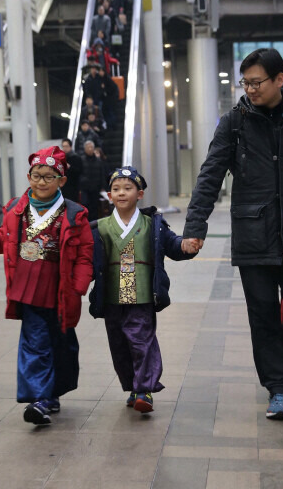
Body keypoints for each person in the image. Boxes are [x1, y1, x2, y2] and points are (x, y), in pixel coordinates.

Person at [181, 48, 283, 421]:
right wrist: (194, 227)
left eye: (256, 82)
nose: (249, 89)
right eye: (244, 83)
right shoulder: (234, 123)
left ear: (279, 79)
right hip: (254, 234)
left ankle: (277, 366)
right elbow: (210, 176)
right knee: (263, 316)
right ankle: (279, 388)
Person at [0, 146, 93, 425]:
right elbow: (1, 241)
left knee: (61, 344)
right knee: (35, 343)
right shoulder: (15, 209)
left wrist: (78, 286)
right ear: (28, 176)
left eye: (49, 176)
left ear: (62, 180)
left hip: (60, 290)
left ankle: (53, 392)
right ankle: (39, 398)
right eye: (36, 175)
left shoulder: (75, 213)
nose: (41, 182)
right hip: (28, 289)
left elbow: (85, 254)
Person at [89, 166, 194, 413]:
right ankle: (134, 386)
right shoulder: (99, 227)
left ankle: (145, 388)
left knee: (141, 338)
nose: (121, 193)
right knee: (119, 344)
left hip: (142, 294)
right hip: (112, 295)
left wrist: (186, 245)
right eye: (116, 189)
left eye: (128, 188)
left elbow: (173, 244)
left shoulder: (152, 224)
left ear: (140, 194)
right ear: (109, 195)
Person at [79, 140, 106, 221]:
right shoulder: (81, 160)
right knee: (85, 206)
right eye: (88, 147)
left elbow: (102, 174)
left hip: (95, 188)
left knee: (95, 207)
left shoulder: (98, 160)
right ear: (85, 149)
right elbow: (79, 174)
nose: (90, 149)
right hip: (85, 188)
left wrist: (102, 186)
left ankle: (94, 225)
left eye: (91, 147)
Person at [61, 138, 82, 203]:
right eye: (63, 146)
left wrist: (70, 167)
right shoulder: (61, 158)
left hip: (73, 187)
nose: (64, 148)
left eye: (66, 146)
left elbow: (79, 171)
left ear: (70, 146)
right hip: (63, 187)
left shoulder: (76, 157)